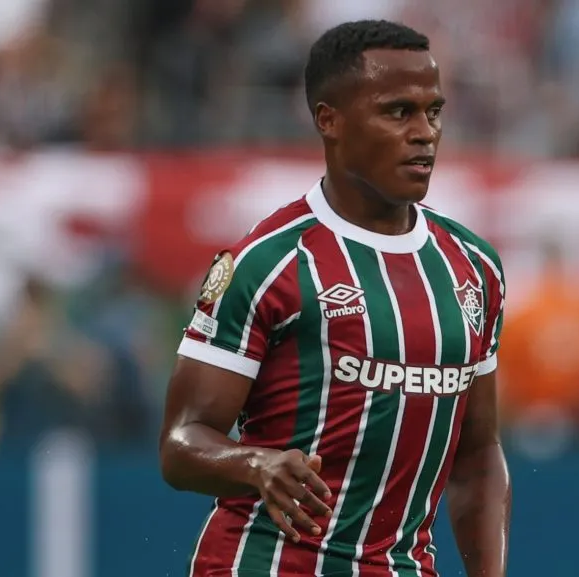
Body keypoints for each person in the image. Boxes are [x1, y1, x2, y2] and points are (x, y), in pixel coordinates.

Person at [159, 20, 510, 577]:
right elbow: (180, 444)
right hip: (267, 564)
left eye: (434, 112)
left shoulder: (473, 267)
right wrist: (253, 464)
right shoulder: (268, 262)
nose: (425, 133)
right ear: (330, 121)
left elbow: (477, 455)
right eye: (398, 112)